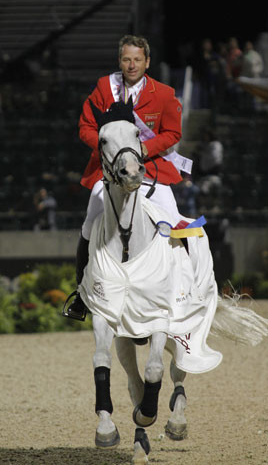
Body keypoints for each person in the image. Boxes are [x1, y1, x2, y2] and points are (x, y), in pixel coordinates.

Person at [67, 34, 189, 321]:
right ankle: (82, 292)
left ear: (147, 62)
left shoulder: (163, 93)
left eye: (137, 59)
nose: (131, 65)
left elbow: (173, 133)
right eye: (126, 59)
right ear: (119, 61)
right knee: (90, 220)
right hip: (110, 170)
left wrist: (145, 148)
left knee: (173, 218)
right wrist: (105, 143)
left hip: (150, 168)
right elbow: (85, 125)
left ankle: (187, 284)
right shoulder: (103, 88)